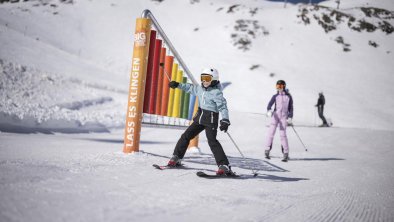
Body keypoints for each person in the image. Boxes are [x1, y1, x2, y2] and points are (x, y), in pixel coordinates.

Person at [167, 68, 235, 176]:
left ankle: (224, 165)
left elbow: (223, 107)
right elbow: (189, 88)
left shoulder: (216, 93)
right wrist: (177, 84)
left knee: (212, 141)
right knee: (186, 136)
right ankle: (176, 157)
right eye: (202, 78)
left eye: (207, 78)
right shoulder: (200, 88)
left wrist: (225, 120)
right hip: (199, 118)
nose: (204, 81)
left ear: (214, 79)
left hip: (211, 119)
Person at [265, 80, 293, 162]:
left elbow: (291, 108)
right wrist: (269, 111)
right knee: (271, 133)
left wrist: (290, 117)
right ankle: (267, 150)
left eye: (280, 87)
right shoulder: (275, 96)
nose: (279, 88)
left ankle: (285, 153)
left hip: (283, 117)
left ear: (284, 86)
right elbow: (269, 105)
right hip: (275, 116)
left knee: (283, 135)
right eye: (277, 87)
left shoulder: (288, 97)